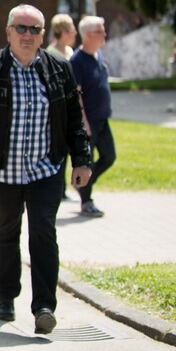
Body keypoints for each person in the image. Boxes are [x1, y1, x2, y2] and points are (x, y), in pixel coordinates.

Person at [0, 4, 92, 334]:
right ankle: (6, 295)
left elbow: (74, 119)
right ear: (8, 32)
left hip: (46, 170)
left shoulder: (59, 69)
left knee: (43, 232)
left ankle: (44, 305)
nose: (28, 35)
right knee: (6, 233)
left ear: (43, 35)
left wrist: (82, 160)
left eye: (35, 30)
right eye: (22, 28)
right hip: (4, 171)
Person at [70, 16, 114, 218]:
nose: (104, 34)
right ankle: (86, 201)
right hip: (87, 122)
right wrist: (83, 122)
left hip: (102, 119)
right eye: (100, 31)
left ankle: (82, 184)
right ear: (87, 35)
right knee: (86, 162)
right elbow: (76, 94)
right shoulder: (77, 61)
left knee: (109, 157)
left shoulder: (99, 55)